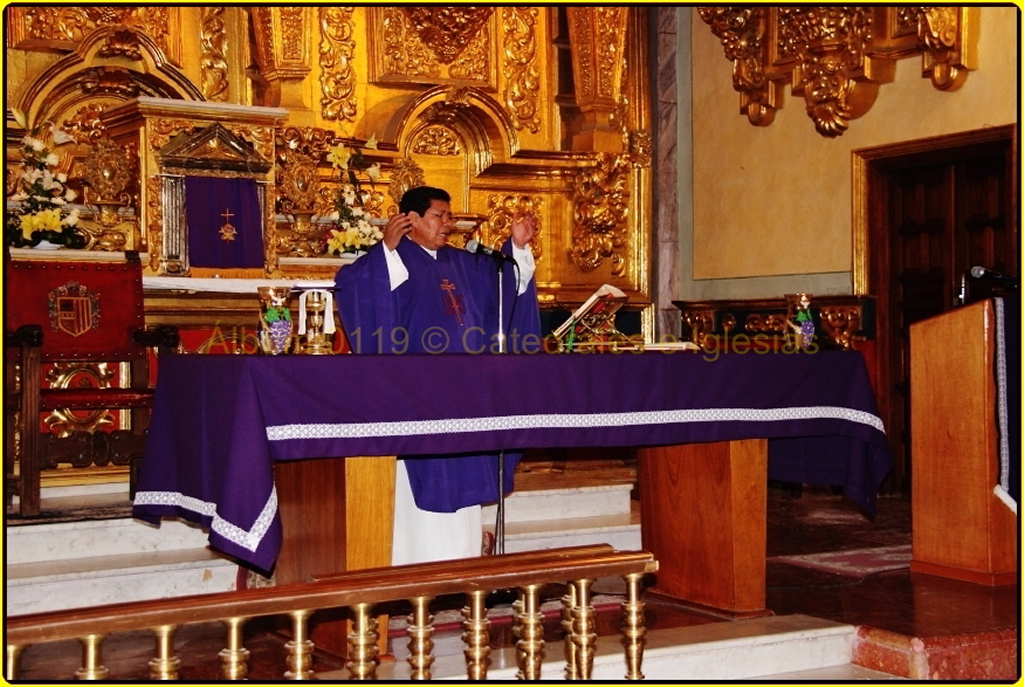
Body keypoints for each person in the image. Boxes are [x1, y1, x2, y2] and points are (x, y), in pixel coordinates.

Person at [334, 186, 541, 565]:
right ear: (410, 220)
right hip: (416, 397)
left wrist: (517, 248)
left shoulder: (462, 263)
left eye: (449, 216)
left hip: (465, 393)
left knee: (461, 488)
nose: (449, 224)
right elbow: (354, 287)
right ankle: (412, 565)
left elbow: (505, 288)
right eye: (439, 216)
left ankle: (459, 563)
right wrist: (387, 250)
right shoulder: (391, 260)